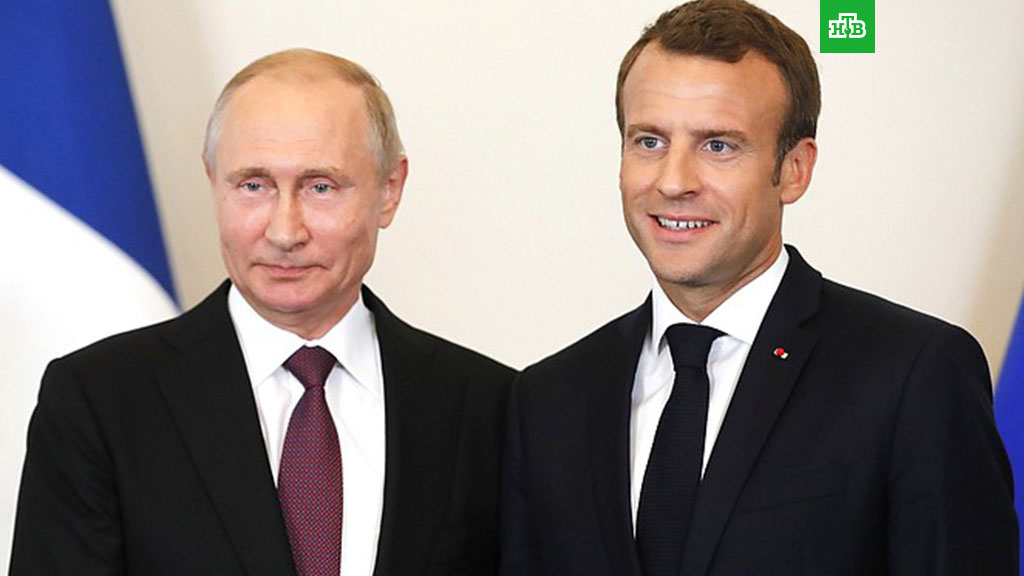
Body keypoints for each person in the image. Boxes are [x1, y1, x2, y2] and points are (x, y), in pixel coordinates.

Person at [499, 1, 1017, 574]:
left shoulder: (913, 376)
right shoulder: (547, 400)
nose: (673, 181)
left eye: (718, 145)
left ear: (794, 168)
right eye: (649, 141)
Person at [10, 49, 514, 576]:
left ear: (389, 190)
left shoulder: (491, 407)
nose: (284, 231)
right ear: (213, 180)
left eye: (320, 187)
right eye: (253, 185)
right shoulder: (99, 401)